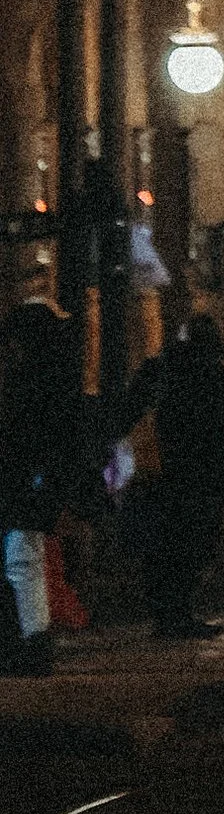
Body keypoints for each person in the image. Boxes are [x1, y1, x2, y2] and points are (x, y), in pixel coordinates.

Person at [121, 313, 224, 640]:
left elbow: (125, 413)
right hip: (201, 476)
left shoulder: (157, 369)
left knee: (160, 546)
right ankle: (179, 612)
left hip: (159, 474)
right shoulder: (215, 375)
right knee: (192, 546)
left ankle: (162, 615)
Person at [0, 271, 80, 673]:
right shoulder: (52, 377)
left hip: (23, 479)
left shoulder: (28, 380)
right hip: (31, 479)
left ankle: (30, 644)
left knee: (22, 559)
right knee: (25, 558)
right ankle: (31, 642)